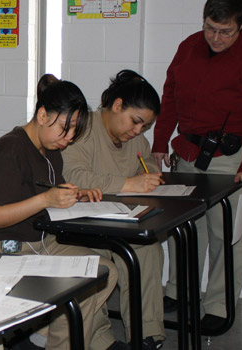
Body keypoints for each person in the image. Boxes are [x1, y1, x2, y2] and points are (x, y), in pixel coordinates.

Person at [152, 0, 242, 330]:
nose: (216, 37)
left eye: (225, 31)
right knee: (184, 227)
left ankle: (221, 307)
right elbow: (170, 96)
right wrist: (159, 143)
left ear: (241, 25)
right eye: (210, 28)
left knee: (226, 235)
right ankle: (180, 292)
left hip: (233, 159)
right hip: (188, 153)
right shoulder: (188, 47)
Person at [0, 74, 128, 350]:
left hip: (39, 242)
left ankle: (46, 337)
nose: (68, 139)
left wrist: (74, 196)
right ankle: (55, 339)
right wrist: (47, 198)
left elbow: (41, 194)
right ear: (43, 115)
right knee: (86, 280)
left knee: (105, 272)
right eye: (64, 129)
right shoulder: (10, 149)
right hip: (5, 248)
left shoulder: (49, 149)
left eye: (73, 134)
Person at [62, 69, 166, 349]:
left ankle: (146, 334)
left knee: (148, 250)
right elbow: (75, 176)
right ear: (117, 105)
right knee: (95, 264)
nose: (138, 131)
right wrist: (130, 183)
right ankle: (99, 340)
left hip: (118, 224)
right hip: (80, 228)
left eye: (144, 127)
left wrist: (152, 175)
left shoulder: (135, 141)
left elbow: (149, 166)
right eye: (136, 122)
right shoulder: (84, 129)